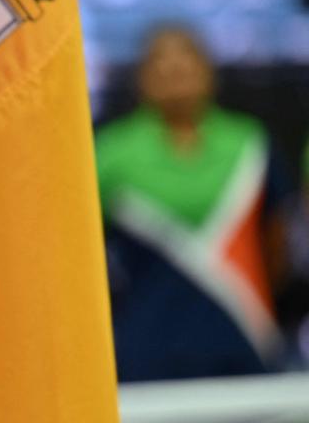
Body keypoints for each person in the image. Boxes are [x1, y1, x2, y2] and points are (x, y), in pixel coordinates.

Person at [96, 25, 290, 380]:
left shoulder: (250, 143)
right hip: (145, 349)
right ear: (141, 77)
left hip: (244, 339)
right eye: (160, 59)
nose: (174, 67)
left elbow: (277, 242)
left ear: (208, 69)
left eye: (186, 55)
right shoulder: (109, 155)